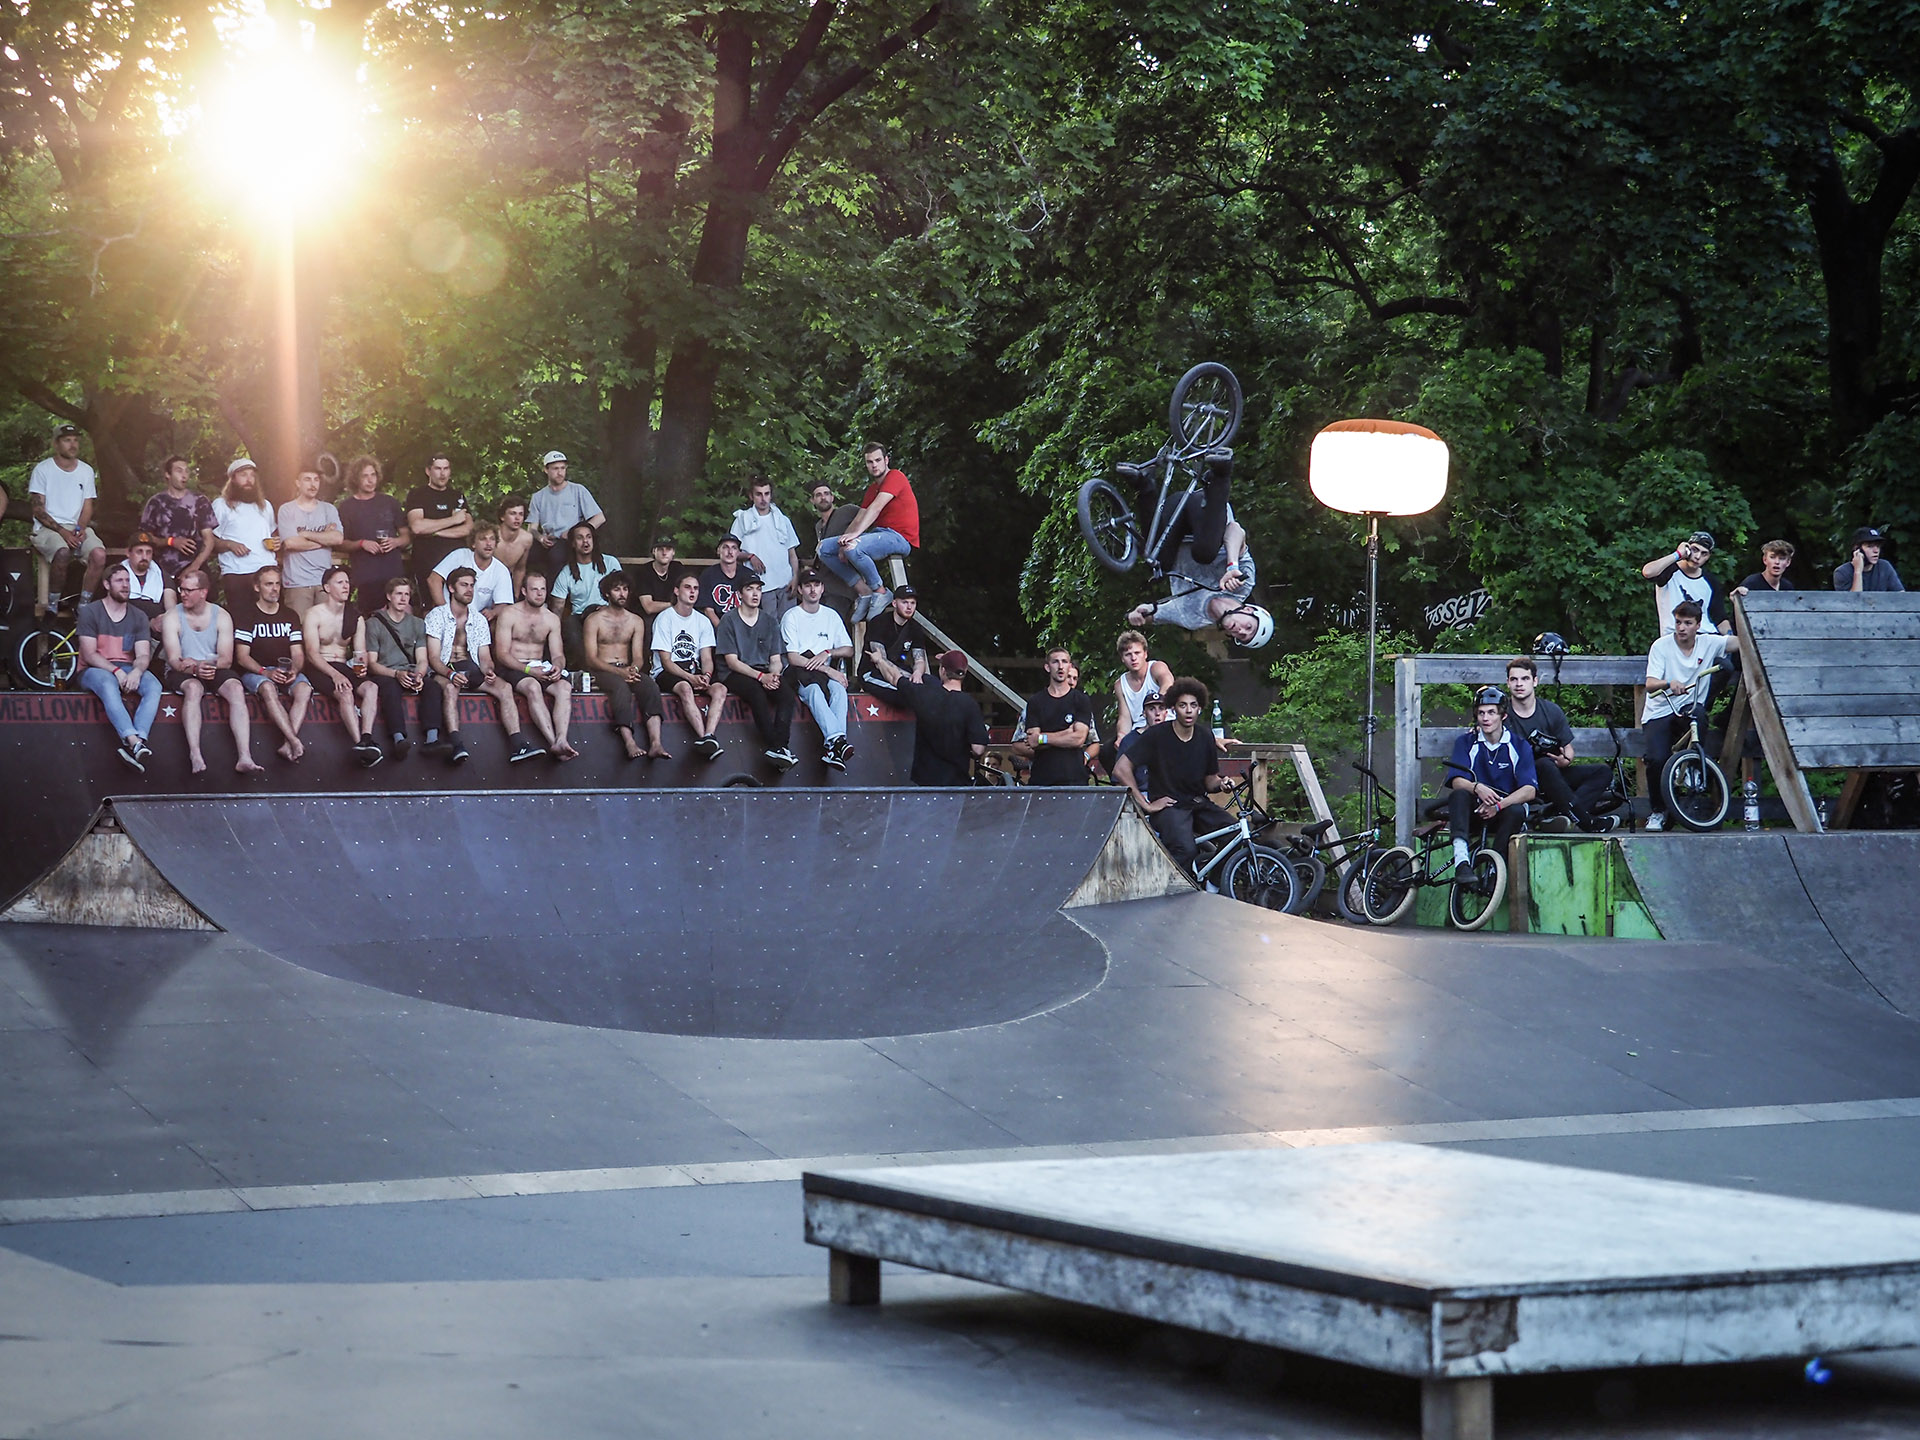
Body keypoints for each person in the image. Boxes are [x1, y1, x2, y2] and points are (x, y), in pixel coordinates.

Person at [1112, 678, 1234, 873]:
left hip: (1197, 803)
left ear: (1200, 708)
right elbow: (1121, 769)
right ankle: (1174, 896)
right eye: (1182, 705)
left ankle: (1213, 884)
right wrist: (1146, 805)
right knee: (1185, 850)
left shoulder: (1205, 736)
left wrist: (1223, 784)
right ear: (1173, 708)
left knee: (1234, 834)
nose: (1188, 710)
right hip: (1169, 807)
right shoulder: (1157, 735)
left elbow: (1210, 780)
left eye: (1193, 705)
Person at [1640, 599, 1739, 831]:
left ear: (1698, 625)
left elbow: (1740, 642)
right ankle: (1658, 812)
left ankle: (1694, 766)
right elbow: (1650, 683)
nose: (1681, 628)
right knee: (1656, 760)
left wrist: (1739, 607)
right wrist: (1668, 683)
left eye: (1687, 623)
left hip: (1689, 707)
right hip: (1660, 710)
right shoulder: (1661, 646)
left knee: (1700, 715)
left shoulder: (1708, 643)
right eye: (1678, 622)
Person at [427, 567, 536, 762]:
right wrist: (450, 674)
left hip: (470, 668)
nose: (469, 590)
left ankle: (517, 744)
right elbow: (434, 658)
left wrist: (489, 671)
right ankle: (456, 743)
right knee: (451, 688)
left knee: (505, 687)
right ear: (451, 588)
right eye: (464, 585)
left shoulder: (478, 619)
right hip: (444, 671)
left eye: (472, 585)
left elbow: (484, 656)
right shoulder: (437, 615)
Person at [160, 570, 262, 775]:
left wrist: (203, 665)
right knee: (194, 688)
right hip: (183, 671)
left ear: (203, 592)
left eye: (189, 590)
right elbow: (174, 659)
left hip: (211, 666)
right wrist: (195, 669)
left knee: (235, 687)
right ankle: (195, 754)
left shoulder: (221, 616)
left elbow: (226, 659)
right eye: (182, 589)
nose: (183, 594)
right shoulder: (173, 616)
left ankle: (245, 756)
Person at [1504, 656, 1612, 832]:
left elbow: (1568, 749)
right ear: (1507, 683)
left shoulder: (1551, 710)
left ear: (1535, 681)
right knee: (1543, 764)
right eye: (1514, 679)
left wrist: (1565, 760)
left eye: (1525, 678)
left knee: (1603, 772)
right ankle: (1586, 821)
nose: (1519, 684)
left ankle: (1553, 814)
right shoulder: (1502, 714)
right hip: (1519, 779)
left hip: (1554, 774)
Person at [1124, 521, 1272, 649]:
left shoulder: (1192, 618)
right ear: (1248, 610)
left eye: (1242, 637)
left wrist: (1138, 614)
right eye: (1249, 627)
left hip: (1168, 537)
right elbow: (1235, 529)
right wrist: (1233, 566)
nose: (1241, 632)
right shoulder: (1243, 583)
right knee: (1204, 552)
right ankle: (1215, 487)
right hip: (1203, 522)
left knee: (1151, 554)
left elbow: (1153, 615)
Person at [74, 562, 160, 771]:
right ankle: (133, 741)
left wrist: (138, 671)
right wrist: (117, 671)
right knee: (107, 683)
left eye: (128, 581)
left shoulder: (138, 616)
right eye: (119, 581)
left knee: (154, 686)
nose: (125, 585)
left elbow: (142, 654)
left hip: (128, 667)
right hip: (95, 669)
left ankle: (139, 740)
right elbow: (89, 654)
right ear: (106, 584)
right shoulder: (90, 612)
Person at [822, 442, 919, 622]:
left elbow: (876, 507)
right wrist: (844, 540)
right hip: (879, 535)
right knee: (824, 549)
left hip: (899, 537)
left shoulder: (895, 476)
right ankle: (863, 590)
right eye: (869, 462)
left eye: (877, 460)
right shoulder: (872, 489)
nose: (874, 465)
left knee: (853, 547)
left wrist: (854, 536)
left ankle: (880, 591)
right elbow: (860, 517)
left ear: (886, 460)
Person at [865, 646, 987, 786]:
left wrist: (879, 660)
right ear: (964, 673)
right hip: (957, 783)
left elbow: (894, 677)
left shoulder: (923, 694)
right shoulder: (970, 705)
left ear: (942, 671)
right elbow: (978, 748)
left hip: (925, 782)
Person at [1442, 687, 1537, 867]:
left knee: (1517, 811)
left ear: (1503, 716)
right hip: (1477, 811)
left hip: (1505, 811)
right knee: (1459, 795)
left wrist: (1499, 805)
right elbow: (1457, 780)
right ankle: (1461, 858)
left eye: (1492, 713)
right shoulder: (1465, 742)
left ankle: (1496, 866)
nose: (1485, 718)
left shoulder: (1519, 745)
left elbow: (1529, 790)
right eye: (1481, 713)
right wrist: (1477, 787)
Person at [583, 571, 670, 760]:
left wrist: (634, 669)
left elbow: (638, 656)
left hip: (626, 668)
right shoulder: (594, 620)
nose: (622, 593)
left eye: (625, 589)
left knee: (650, 686)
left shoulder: (635, 620)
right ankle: (629, 742)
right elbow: (590, 659)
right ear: (607, 593)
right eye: (616, 589)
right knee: (620, 688)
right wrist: (620, 673)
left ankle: (656, 743)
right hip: (603, 669)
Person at [492, 571, 577, 759]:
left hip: (539, 666)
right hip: (514, 666)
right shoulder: (509, 614)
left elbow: (558, 655)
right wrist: (529, 671)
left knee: (564, 686)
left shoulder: (551, 618)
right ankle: (553, 741)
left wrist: (557, 667)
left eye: (543, 589)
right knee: (533, 686)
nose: (539, 593)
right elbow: (502, 654)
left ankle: (562, 739)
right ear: (524, 591)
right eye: (534, 589)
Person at [716, 573, 797, 768]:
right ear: (740, 594)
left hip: (764, 671)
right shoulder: (729, 620)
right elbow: (732, 662)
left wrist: (774, 676)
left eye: (759, 589)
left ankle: (780, 747)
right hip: (735, 673)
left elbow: (776, 659)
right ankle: (775, 745)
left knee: (786, 695)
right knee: (756, 693)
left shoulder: (769, 621)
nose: (755, 594)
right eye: (750, 589)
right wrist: (762, 677)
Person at [362, 575, 444, 765]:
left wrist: (420, 674)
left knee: (432, 687)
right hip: (386, 672)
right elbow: (372, 663)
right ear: (389, 596)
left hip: (410, 671)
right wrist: (395, 674)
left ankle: (432, 739)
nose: (403, 598)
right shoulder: (374, 623)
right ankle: (399, 739)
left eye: (406, 594)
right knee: (390, 689)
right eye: (399, 594)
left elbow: (422, 658)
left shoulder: (417, 623)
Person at [234, 565, 311, 764]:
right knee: (268, 689)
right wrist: (265, 673)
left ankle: (287, 744)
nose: (274, 588)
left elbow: (298, 653)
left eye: (277, 584)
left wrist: (295, 669)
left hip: (285, 671)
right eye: (269, 584)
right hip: (257, 671)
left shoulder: (290, 615)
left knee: (304, 689)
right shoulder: (246, 615)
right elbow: (242, 657)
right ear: (257, 587)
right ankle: (294, 740)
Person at [303, 566, 382, 758]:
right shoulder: (314, 614)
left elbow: (359, 652)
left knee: (371, 687)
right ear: (327, 588)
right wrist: (335, 675)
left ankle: (366, 738)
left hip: (343, 666)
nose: (346, 586)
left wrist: (361, 666)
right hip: (319, 667)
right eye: (340, 582)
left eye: (347, 582)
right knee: (345, 693)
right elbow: (312, 654)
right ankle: (359, 744)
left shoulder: (355, 617)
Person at [781, 569, 856, 769]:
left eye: (816, 585)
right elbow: (793, 657)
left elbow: (848, 649)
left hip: (823, 671)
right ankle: (838, 742)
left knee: (839, 688)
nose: (813, 590)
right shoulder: (792, 616)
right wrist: (827, 669)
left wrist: (828, 652)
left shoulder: (831, 616)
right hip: (800, 672)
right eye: (808, 585)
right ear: (800, 590)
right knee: (814, 690)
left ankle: (835, 747)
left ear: (823, 589)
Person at [28, 423, 107, 605]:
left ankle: (84, 605)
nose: (72, 445)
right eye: (67, 441)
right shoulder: (43, 469)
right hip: (48, 528)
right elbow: (38, 510)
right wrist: (63, 532)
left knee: (99, 554)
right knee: (62, 552)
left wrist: (80, 527)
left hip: (76, 526)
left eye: (75, 440)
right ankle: (53, 605)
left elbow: (88, 506)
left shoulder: (86, 471)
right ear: (56, 444)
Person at [652, 571, 728, 758]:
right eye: (687, 587)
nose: (692, 592)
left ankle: (709, 736)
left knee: (720, 689)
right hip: (668, 671)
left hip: (695, 670)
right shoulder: (665, 617)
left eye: (696, 588)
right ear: (677, 591)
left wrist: (706, 677)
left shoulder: (703, 620)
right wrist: (690, 678)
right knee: (686, 688)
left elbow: (707, 658)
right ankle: (702, 737)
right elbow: (666, 661)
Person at [137, 454, 216, 603]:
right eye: (179, 471)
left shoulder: (200, 501)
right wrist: (171, 541)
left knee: (209, 602)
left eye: (187, 471)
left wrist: (195, 566)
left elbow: (209, 539)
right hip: (162, 568)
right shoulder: (156, 503)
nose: (184, 475)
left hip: (196, 564)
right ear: (168, 474)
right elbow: (144, 538)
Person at [337, 456, 410, 615]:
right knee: (371, 623)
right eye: (365, 476)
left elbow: (407, 536)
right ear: (356, 479)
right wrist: (361, 543)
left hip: (393, 573)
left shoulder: (390, 502)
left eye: (373, 475)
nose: (370, 480)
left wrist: (395, 542)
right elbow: (340, 542)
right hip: (365, 577)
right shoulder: (347, 507)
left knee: (399, 619)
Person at [1013, 647, 1094, 787]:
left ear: (1070, 666)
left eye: (1064, 662)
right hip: (1042, 780)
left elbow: (1078, 739)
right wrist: (1066, 733)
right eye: (1055, 662)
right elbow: (1032, 742)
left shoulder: (1081, 700)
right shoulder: (1035, 702)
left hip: (1075, 779)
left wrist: (1043, 738)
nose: (1060, 666)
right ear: (1047, 667)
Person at [275, 465, 344, 617]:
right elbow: (291, 543)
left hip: (325, 583)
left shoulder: (329, 509)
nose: (313, 484)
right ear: (298, 483)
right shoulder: (287, 509)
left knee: (326, 632)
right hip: (297, 583)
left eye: (316, 480)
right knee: (298, 632)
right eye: (307, 479)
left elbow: (338, 538)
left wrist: (305, 534)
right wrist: (324, 539)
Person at [548, 522, 621, 668]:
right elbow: (557, 609)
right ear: (573, 544)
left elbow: (623, 593)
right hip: (581, 617)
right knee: (570, 629)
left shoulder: (610, 562)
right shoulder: (566, 572)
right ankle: (583, 673)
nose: (585, 541)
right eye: (580, 538)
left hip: (609, 612)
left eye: (589, 537)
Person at [209, 458, 278, 611]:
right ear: (232, 479)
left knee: (269, 620)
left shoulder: (265, 506)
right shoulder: (221, 505)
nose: (249, 480)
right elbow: (209, 540)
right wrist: (229, 544)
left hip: (267, 571)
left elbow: (272, 535)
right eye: (243, 475)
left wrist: (276, 543)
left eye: (252, 476)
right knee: (241, 622)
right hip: (237, 573)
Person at [526, 451, 605, 580]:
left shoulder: (578, 490)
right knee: (529, 554)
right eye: (555, 469)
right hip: (548, 539)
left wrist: (576, 532)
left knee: (556, 556)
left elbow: (599, 518)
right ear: (546, 470)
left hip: (570, 540)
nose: (560, 472)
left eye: (563, 468)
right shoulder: (538, 497)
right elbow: (532, 528)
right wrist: (541, 538)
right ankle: (529, 594)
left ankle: (554, 596)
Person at [731, 476, 801, 618]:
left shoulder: (783, 520)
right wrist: (750, 556)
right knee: (768, 626)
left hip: (785, 583)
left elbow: (792, 553)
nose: (763, 499)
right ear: (751, 496)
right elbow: (731, 552)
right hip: (760, 585)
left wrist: (795, 577)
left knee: (789, 623)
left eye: (766, 494)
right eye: (758, 494)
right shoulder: (742, 520)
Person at [405, 452, 473, 600]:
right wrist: (453, 520)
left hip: (457, 565)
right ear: (428, 471)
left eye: (446, 468)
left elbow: (467, 529)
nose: (442, 474)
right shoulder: (417, 494)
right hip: (427, 563)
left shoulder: (457, 496)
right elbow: (417, 527)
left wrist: (434, 531)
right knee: (430, 610)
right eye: (438, 469)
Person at [1640, 531, 1730, 636]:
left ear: (1708, 557)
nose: (1697, 556)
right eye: (1695, 550)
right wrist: (1678, 554)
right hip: (1675, 636)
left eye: (1703, 553)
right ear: (1687, 548)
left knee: (1737, 643)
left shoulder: (1710, 581)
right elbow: (1648, 572)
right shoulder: (1670, 571)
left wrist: (1731, 638)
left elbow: (1720, 618)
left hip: (1706, 637)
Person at [429, 523, 515, 615]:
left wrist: (493, 613)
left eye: (492, 539)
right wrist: (443, 609)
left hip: (476, 620)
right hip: (448, 612)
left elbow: (504, 604)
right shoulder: (459, 555)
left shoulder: (501, 570)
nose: (489, 543)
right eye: (483, 539)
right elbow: (433, 579)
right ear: (473, 544)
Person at [856, 585, 927, 695]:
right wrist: (906, 680)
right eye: (905, 602)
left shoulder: (915, 628)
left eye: (912, 603)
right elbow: (881, 661)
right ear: (894, 603)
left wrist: (917, 673)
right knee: (906, 693)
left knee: (933, 684)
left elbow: (919, 660)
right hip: (873, 672)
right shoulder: (878, 623)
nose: (909, 607)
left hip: (901, 671)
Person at [807, 481, 861, 624]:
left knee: (832, 626)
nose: (823, 497)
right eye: (818, 495)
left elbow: (869, 514)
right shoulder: (818, 526)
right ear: (812, 500)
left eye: (826, 494)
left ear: (832, 497)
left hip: (842, 588)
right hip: (822, 587)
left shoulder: (847, 511)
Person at [1112, 629, 1175, 744]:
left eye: (1137, 653)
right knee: (1107, 751)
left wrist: (1156, 705)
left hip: (1166, 724)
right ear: (1122, 658)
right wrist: (1121, 736)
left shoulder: (1156, 668)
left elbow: (1168, 684)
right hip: (1140, 732)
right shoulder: (1120, 684)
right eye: (1128, 655)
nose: (1133, 658)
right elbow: (1124, 717)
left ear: (1145, 654)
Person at [633, 535, 688, 654]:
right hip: (649, 617)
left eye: (668, 549)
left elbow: (688, 595)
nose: (664, 552)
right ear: (654, 551)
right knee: (648, 626)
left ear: (673, 552)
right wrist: (675, 604)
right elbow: (648, 607)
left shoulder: (678, 568)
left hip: (673, 613)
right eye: (660, 549)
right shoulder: (643, 572)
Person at [1115, 691, 1172, 794]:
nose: (1157, 713)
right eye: (1151, 709)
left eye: (1161, 708)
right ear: (1144, 713)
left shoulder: (1174, 739)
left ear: (1166, 713)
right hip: (1140, 794)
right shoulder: (1130, 740)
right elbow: (1119, 781)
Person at [697, 534, 755, 628]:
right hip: (717, 626)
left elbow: (754, 608)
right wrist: (723, 631)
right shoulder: (708, 575)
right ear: (718, 551)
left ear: (738, 552)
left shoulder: (748, 575)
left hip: (744, 626)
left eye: (734, 548)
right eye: (725, 547)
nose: (730, 552)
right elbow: (708, 610)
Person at [119, 532, 168, 631]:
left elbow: (170, 605)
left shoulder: (160, 574)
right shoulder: (116, 574)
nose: (144, 557)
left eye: (148, 552)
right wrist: (149, 623)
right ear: (128, 553)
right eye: (139, 552)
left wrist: (166, 619)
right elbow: (114, 608)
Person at [1836, 526, 1905, 593]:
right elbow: (1853, 602)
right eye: (1870, 546)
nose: (1876, 550)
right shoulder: (1842, 572)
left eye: (1878, 546)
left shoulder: (1884, 567)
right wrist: (1858, 572)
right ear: (1857, 549)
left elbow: (1901, 597)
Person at [494, 498, 535, 595]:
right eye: (513, 513)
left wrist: (515, 595)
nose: (517, 518)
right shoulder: (491, 535)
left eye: (521, 514)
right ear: (502, 517)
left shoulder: (526, 539)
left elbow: (520, 569)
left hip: (507, 583)